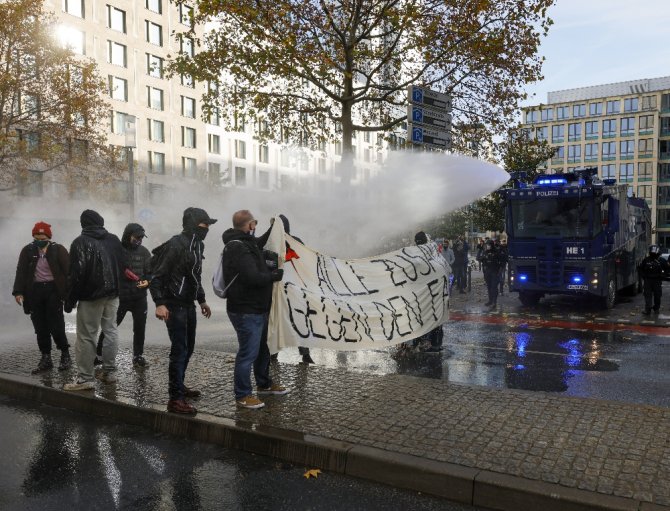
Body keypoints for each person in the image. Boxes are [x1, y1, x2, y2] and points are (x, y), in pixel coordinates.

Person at [150, 208, 216, 415]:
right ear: (193, 224)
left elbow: (194, 276)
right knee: (179, 350)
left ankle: (179, 385)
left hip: (188, 304)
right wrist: (160, 303)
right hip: (174, 304)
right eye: (204, 224)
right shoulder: (176, 244)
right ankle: (175, 399)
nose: (207, 229)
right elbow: (157, 277)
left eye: (208, 225)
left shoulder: (198, 244)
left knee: (189, 347)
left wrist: (202, 300)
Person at [221, 210, 288, 409]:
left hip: (257, 307)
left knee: (262, 349)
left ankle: (264, 384)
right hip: (245, 310)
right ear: (250, 225)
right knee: (248, 353)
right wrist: (275, 275)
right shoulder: (238, 248)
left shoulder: (245, 243)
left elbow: (258, 243)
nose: (255, 226)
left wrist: (274, 228)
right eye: (255, 223)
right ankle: (242, 395)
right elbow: (253, 277)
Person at [63, 210, 123, 391]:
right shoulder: (113, 239)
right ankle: (110, 373)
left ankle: (85, 378)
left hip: (91, 296)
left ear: (83, 224)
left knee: (87, 336)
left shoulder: (80, 242)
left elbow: (76, 275)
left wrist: (70, 300)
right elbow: (121, 265)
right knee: (111, 331)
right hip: (112, 294)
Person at [12, 221, 72, 374]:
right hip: (35, 291)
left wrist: (69, 293)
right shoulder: (28, 251)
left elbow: (68, 272)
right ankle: (46, 357)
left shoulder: (58, 250)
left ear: (48, 237)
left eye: (42, 235)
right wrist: (18, 292)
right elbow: (21, 272)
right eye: (36, 236)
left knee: (56, 324)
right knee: (40, 327)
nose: (39, 238)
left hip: (53, 290)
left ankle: (65, 354)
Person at [96, 223, 152, 368]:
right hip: (121, 298)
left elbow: (151, 273)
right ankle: (99, 354)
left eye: (141, 238)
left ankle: (138, 355)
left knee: (140, 328)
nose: (139, 240)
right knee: (111, 327)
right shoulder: (117, 250)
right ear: (128, 236)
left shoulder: (145, 252)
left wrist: (146, 282)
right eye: (136, 237)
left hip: (140, 298)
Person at [413, 231, 444, 352]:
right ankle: (434, 343)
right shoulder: (433, 253)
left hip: (420, 294)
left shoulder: (413, 254)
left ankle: (419, 341)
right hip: (433, 292)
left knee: (421, 318)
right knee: (434, 318)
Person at [638, 245, 669, 315]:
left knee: (657, 295)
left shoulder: (661, 260)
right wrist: (643, 276)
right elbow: (640, 268)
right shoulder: (646, 260)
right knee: (647, 295)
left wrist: (663, 276)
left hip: (657, 280)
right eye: (652, 253)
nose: (653, 254)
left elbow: (667, 269)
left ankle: (656, 307)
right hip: (648, 280)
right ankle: (648, 309)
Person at [480, 239, 505, 308]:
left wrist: (499, 270)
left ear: (491, 245)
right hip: (487, 271)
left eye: (489, 245)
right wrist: (484, 258)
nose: (487, 246)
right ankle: (490, 300)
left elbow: (502, 261)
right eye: (487, 245)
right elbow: (480, 258)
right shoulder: (485, 252)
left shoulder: (497, 252)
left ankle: (494, 301)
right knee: (489, 287)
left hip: (495, 271)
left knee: (494, 287)